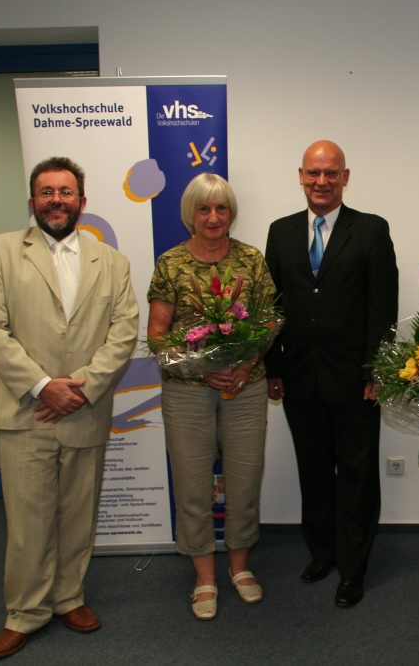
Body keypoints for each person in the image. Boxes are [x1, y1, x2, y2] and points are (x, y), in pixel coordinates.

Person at [0, 156, 139, 659]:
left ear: (82, 203)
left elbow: (124, 331)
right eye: (46, 192)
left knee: (77, 514)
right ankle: (24, 612)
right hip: (26, 410)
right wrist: (44, 385)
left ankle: (69, 597)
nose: (56, 200)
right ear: (32, 202)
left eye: (65, 192)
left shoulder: (111, 261)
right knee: (28, 519)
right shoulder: (3, 251)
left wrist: (82, 388)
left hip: (84, 409)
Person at [264, 140, 399, 608]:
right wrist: (273, 368)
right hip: (300, 377)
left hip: (356, 379)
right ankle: (322, 552)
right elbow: (272, 308)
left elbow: (383, 307)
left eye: (331, 173)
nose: (322, 182)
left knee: (358, 475)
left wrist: (378, 370)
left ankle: (353, 566)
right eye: (313, 173)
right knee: (315, 473)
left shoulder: (371, 230)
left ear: (345, 177)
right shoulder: (280, 233)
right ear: (300, 176)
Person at [146, 173, 273, 621]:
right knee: (193, 484)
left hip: (245, 385)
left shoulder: (252, 261)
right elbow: (157, 336)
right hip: (187, 393)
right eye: (204, 209)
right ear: (190, 214)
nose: (214, 217)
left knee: (244, 480)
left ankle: (240, 568)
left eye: (221, 208)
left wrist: (242, 364)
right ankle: (204, 576)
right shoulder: (172, 263)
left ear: (231, 212)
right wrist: (204, 367)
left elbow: (270, 321)